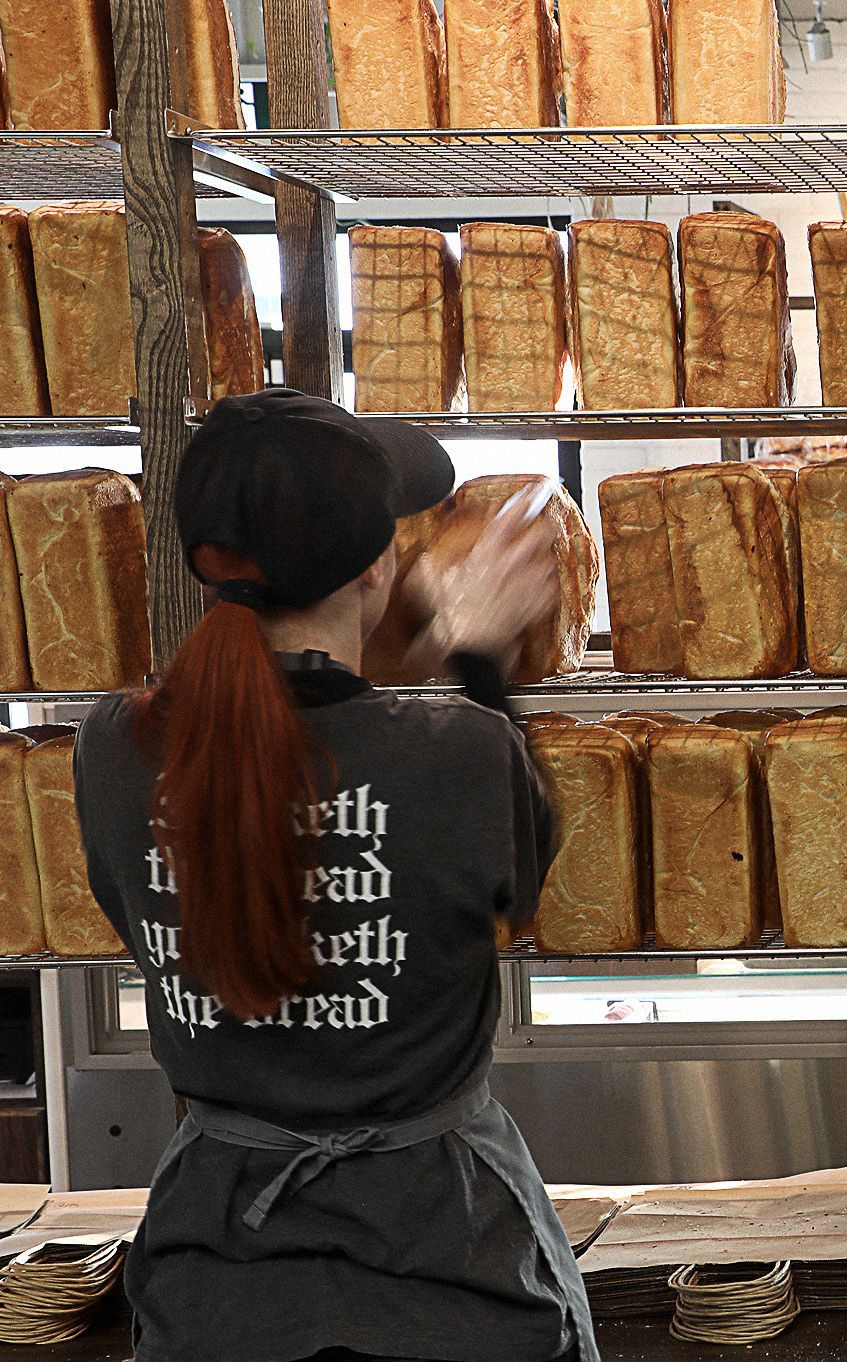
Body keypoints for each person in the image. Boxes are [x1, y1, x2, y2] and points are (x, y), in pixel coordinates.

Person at [71, 390, 599, 1362]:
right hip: (446, 1271)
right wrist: (476, 655)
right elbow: (521, 891)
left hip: (213, 1281)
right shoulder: (458, 749)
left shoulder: (110, 747)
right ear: (378, 566)